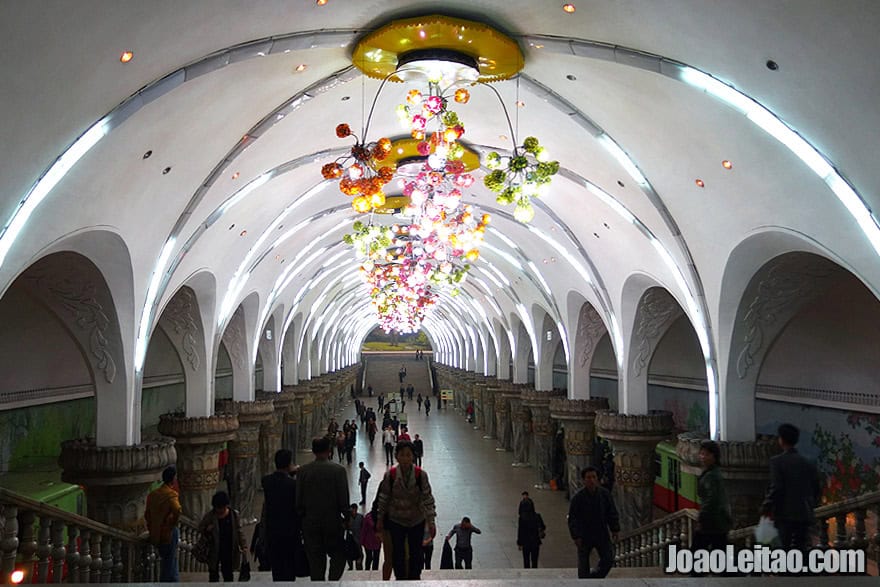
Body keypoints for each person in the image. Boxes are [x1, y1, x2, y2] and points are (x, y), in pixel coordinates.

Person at [375, 440, 438, 581]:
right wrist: (379, 519)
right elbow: (383, 499)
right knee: (398, 553)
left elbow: (427, 499)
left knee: (416, 552)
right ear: (396, 456)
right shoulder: (390, 475)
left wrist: (431, 522)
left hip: (416, 520)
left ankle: (415, 577)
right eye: (402, 455)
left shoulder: (420, 475)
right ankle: (401, 578)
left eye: (408, 455)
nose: (405, 458)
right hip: (396, 520)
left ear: (413, 457)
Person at [296, 436, 350, 582]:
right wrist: (347, 519)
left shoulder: (303, 471)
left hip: (310, 524)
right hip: (332, 522)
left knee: (315, 560)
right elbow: (343, 500)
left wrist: (302, 519)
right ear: (329, 450)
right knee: (338, 556)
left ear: (313, 451)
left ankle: (318, 583)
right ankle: (332, 581)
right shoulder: (338, 471)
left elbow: (298, 500)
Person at [762, 423, 821, 553]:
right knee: (800, 548)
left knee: (783, 549)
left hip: (784, 514)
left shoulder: (777, 461)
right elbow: (816, 488)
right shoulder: (808, 462)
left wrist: (766, 506)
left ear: (781, 440)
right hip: (804, 513)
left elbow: (777, 487)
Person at [567, 466, 620, 579]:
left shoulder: (604, 494)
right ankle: (584, 582)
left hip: (601, 533)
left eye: (593, 477)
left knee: (608, 558)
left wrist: (615, 529)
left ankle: (595, 577)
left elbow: (611, 512)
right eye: (588, 477)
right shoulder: (578, 498)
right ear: (583, 480)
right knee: (583, 563)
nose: (591, 480)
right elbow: (573, 519)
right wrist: (576, 536)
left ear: (597, 479)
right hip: (584, 535)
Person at [261, 449, 300, 581]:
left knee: (277, 569)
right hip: (290, 532)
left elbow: (277, 480)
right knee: (289, 567)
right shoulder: (293, 485)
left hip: (272, 532)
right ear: (289, 464)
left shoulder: (266, 481)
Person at [691, 440, 731, 555]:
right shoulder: (713, 473)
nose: (702, 457)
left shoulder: (711, 476)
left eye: (706, 454)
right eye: (701, 454)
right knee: (720, 552)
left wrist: (702, 517)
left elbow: (711, 499)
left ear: (714, 456)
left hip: (711, 522)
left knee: (697, 551)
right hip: (718, 522)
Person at [198, 491, 247, 582]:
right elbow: (201, 527)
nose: (220, 511)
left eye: (222, 508)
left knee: (228, 574)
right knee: (213, 574)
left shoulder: (233, 515)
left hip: (229, 549)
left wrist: (243, 546)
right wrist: (207, 530)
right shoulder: (210, 516)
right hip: (214, 550)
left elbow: (239, 531)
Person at [145, 465, 182, 582]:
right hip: (168, 532)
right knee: (170, 561)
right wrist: (172, 521)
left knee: (165, 560)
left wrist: (153, 524)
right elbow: (177, 510)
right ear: (173, 479)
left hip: (156, 532)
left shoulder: (153, 494)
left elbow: (147, 514)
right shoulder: (171, 495)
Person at [517, 497, 545, 568]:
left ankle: (527, 574)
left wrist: (519, 543)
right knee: (534, 560)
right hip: (535, 542)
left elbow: (520, 531)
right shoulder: (537, 516)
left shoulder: (522, 518)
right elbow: (543, 527)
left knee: (526, 561)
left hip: (526, 542)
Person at [360, 506, 381, 571]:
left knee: (369, 558)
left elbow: (364, 530)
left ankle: (367, 570)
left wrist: (362, 541)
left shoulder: (367, 517)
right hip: (376, 541)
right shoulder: (380, 518)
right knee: (376, 558)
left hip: (368, 542)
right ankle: (374, 571)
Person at [346, 504, 364, 571]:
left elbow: (363, 528)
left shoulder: (360, 517)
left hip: (358, 540)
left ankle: (359, 567)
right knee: (349, 555)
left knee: (359, 555)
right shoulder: (347, 518)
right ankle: (350, 567)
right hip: (350, 541)